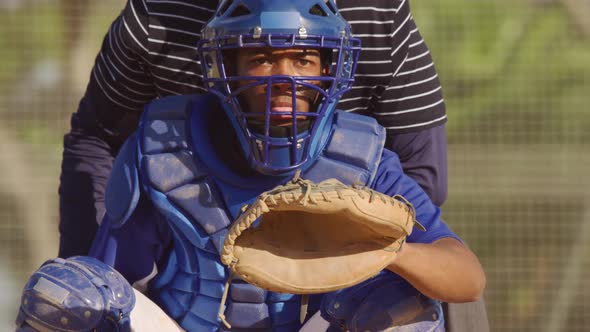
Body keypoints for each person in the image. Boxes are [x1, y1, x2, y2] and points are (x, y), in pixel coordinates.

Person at [17, 1, 485, 331]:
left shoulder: (364, 155)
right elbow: (95, 146)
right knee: (66, 296)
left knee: (404, 307)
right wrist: (78, 280)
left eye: (303, 58)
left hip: (322, 314)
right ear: (219, 66)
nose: (284, 77)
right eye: (260, 58)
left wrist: (380, 250)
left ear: (333, 67)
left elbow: (459, 265)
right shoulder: (163, 153)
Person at [59, 0, 449, 259]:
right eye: (261, 58)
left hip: (338, 236)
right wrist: (84, 269)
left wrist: (360, 257)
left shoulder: (377, 12)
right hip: (189, 239)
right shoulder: (157, 12)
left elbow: (421, 177)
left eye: (302, 58)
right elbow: (99, 138)